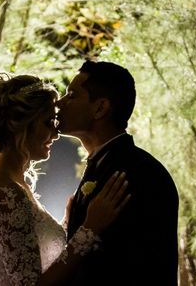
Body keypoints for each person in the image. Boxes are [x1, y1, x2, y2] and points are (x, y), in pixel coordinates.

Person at [0, 73, 130, 286]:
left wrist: (68, 222)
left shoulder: (8, 181)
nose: (55, 134)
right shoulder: (6, 192)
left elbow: (31, 253)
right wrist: (89, 230)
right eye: (48, 122)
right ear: (21, 126)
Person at [57, 60, 179, 285]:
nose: (59, 102)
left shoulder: (138, 173)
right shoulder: (104, 164)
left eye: (72, 95)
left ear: (100, 108)